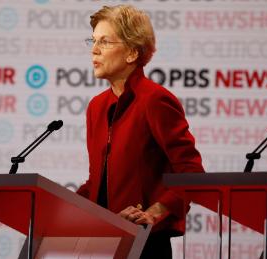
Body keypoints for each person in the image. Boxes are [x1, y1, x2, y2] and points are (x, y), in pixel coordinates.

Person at [77, 5, 205, 259]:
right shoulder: (96, 106)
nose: (94, 50)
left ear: (132, 53)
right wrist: (63, 210)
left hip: (147, 243)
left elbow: (191, 173)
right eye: (93, 41)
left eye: (104, 41)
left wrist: (153, 213)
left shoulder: (154, 100)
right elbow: (97, 181)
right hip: (103, 241)